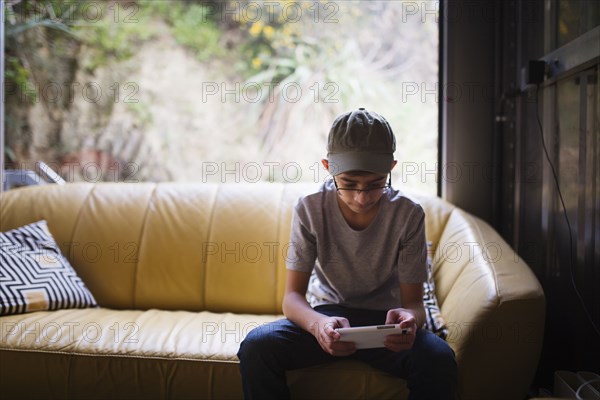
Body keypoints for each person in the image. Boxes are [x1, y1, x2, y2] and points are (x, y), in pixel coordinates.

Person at [237, 108, 457, 400]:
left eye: (375, 184)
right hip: (327, 317)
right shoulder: (310, 209)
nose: (361, 197)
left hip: (384, 323)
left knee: (439, 359)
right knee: (256, 346)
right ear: (329, 167)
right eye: (349, 184)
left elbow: (414, 304)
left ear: (391, 167)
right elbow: (291, 299)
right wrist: (318, 326)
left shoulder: (407, 214)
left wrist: (409, 320)